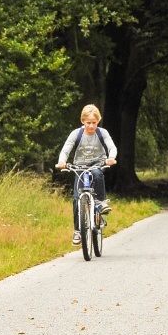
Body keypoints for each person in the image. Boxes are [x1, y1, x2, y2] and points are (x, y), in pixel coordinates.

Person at [55, 104, 118, 246]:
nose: (91, 126)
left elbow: (111, 146)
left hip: (97, 163)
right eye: (88, 123)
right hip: (79, 166)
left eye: (94, 123)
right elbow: (66, 149)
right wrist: (62, 161)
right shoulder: (76, 134)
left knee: (97, 174)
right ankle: (77, 230)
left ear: (98, 122)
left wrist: (111, 157)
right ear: (83, 121)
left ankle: (101, 202)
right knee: (77, 197)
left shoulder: (102, 133)